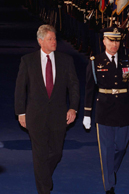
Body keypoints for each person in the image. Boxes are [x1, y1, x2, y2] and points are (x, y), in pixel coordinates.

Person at [14, 24, 80, 194]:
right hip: (35, 115)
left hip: (59, 116)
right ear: (40, 41)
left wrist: (73, 108)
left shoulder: (66, 60)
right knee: (40, 154)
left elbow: (74, 86)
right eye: (50, 39)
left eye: (55, 38)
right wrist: (21, 113)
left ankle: (44, 178)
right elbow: (20, 88)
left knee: (56, 153)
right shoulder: (27, 61)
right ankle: (44, 190)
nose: (54, 42)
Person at [83, 27, 129, 194]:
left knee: (122, 147)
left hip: (124, 108)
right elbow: (89, 88)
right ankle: (109, 185)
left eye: (117, 40)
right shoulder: (95, 61)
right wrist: (87, 113)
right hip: (104, 109)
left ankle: (112, 170)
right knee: (106, 149)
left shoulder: (128, 60)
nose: (114, 44)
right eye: (111, 40)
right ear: (104, 41)